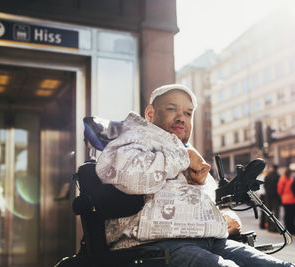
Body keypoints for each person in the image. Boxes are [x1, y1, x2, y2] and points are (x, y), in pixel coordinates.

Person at [95, 84, 293, 266]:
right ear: (150, 113)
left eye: (188, 113)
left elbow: (200, 204)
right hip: (155, 245)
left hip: (209, 242)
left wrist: (222, 219)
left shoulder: (187, 152)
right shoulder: (134, 139)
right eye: (172, 109)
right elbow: (129, 177)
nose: (182, 117)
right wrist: (183, 156)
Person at [260, 164, 281, 232]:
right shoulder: (278, 176)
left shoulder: (267, 176)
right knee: (276, 212)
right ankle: (275, 227)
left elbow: (264, 185)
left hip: (268, 196)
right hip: (276, 196)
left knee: (269, 211)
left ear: (272, 168)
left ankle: (269, 226)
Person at [277, 168, 295, 235]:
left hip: (285, 199)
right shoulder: (291, 179)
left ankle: (287, 229)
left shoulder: (282, 179)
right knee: (292, 215)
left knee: (287, 215)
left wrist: (281, 195)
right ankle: (292, 229)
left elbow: (279, 190)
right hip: (293, 200)